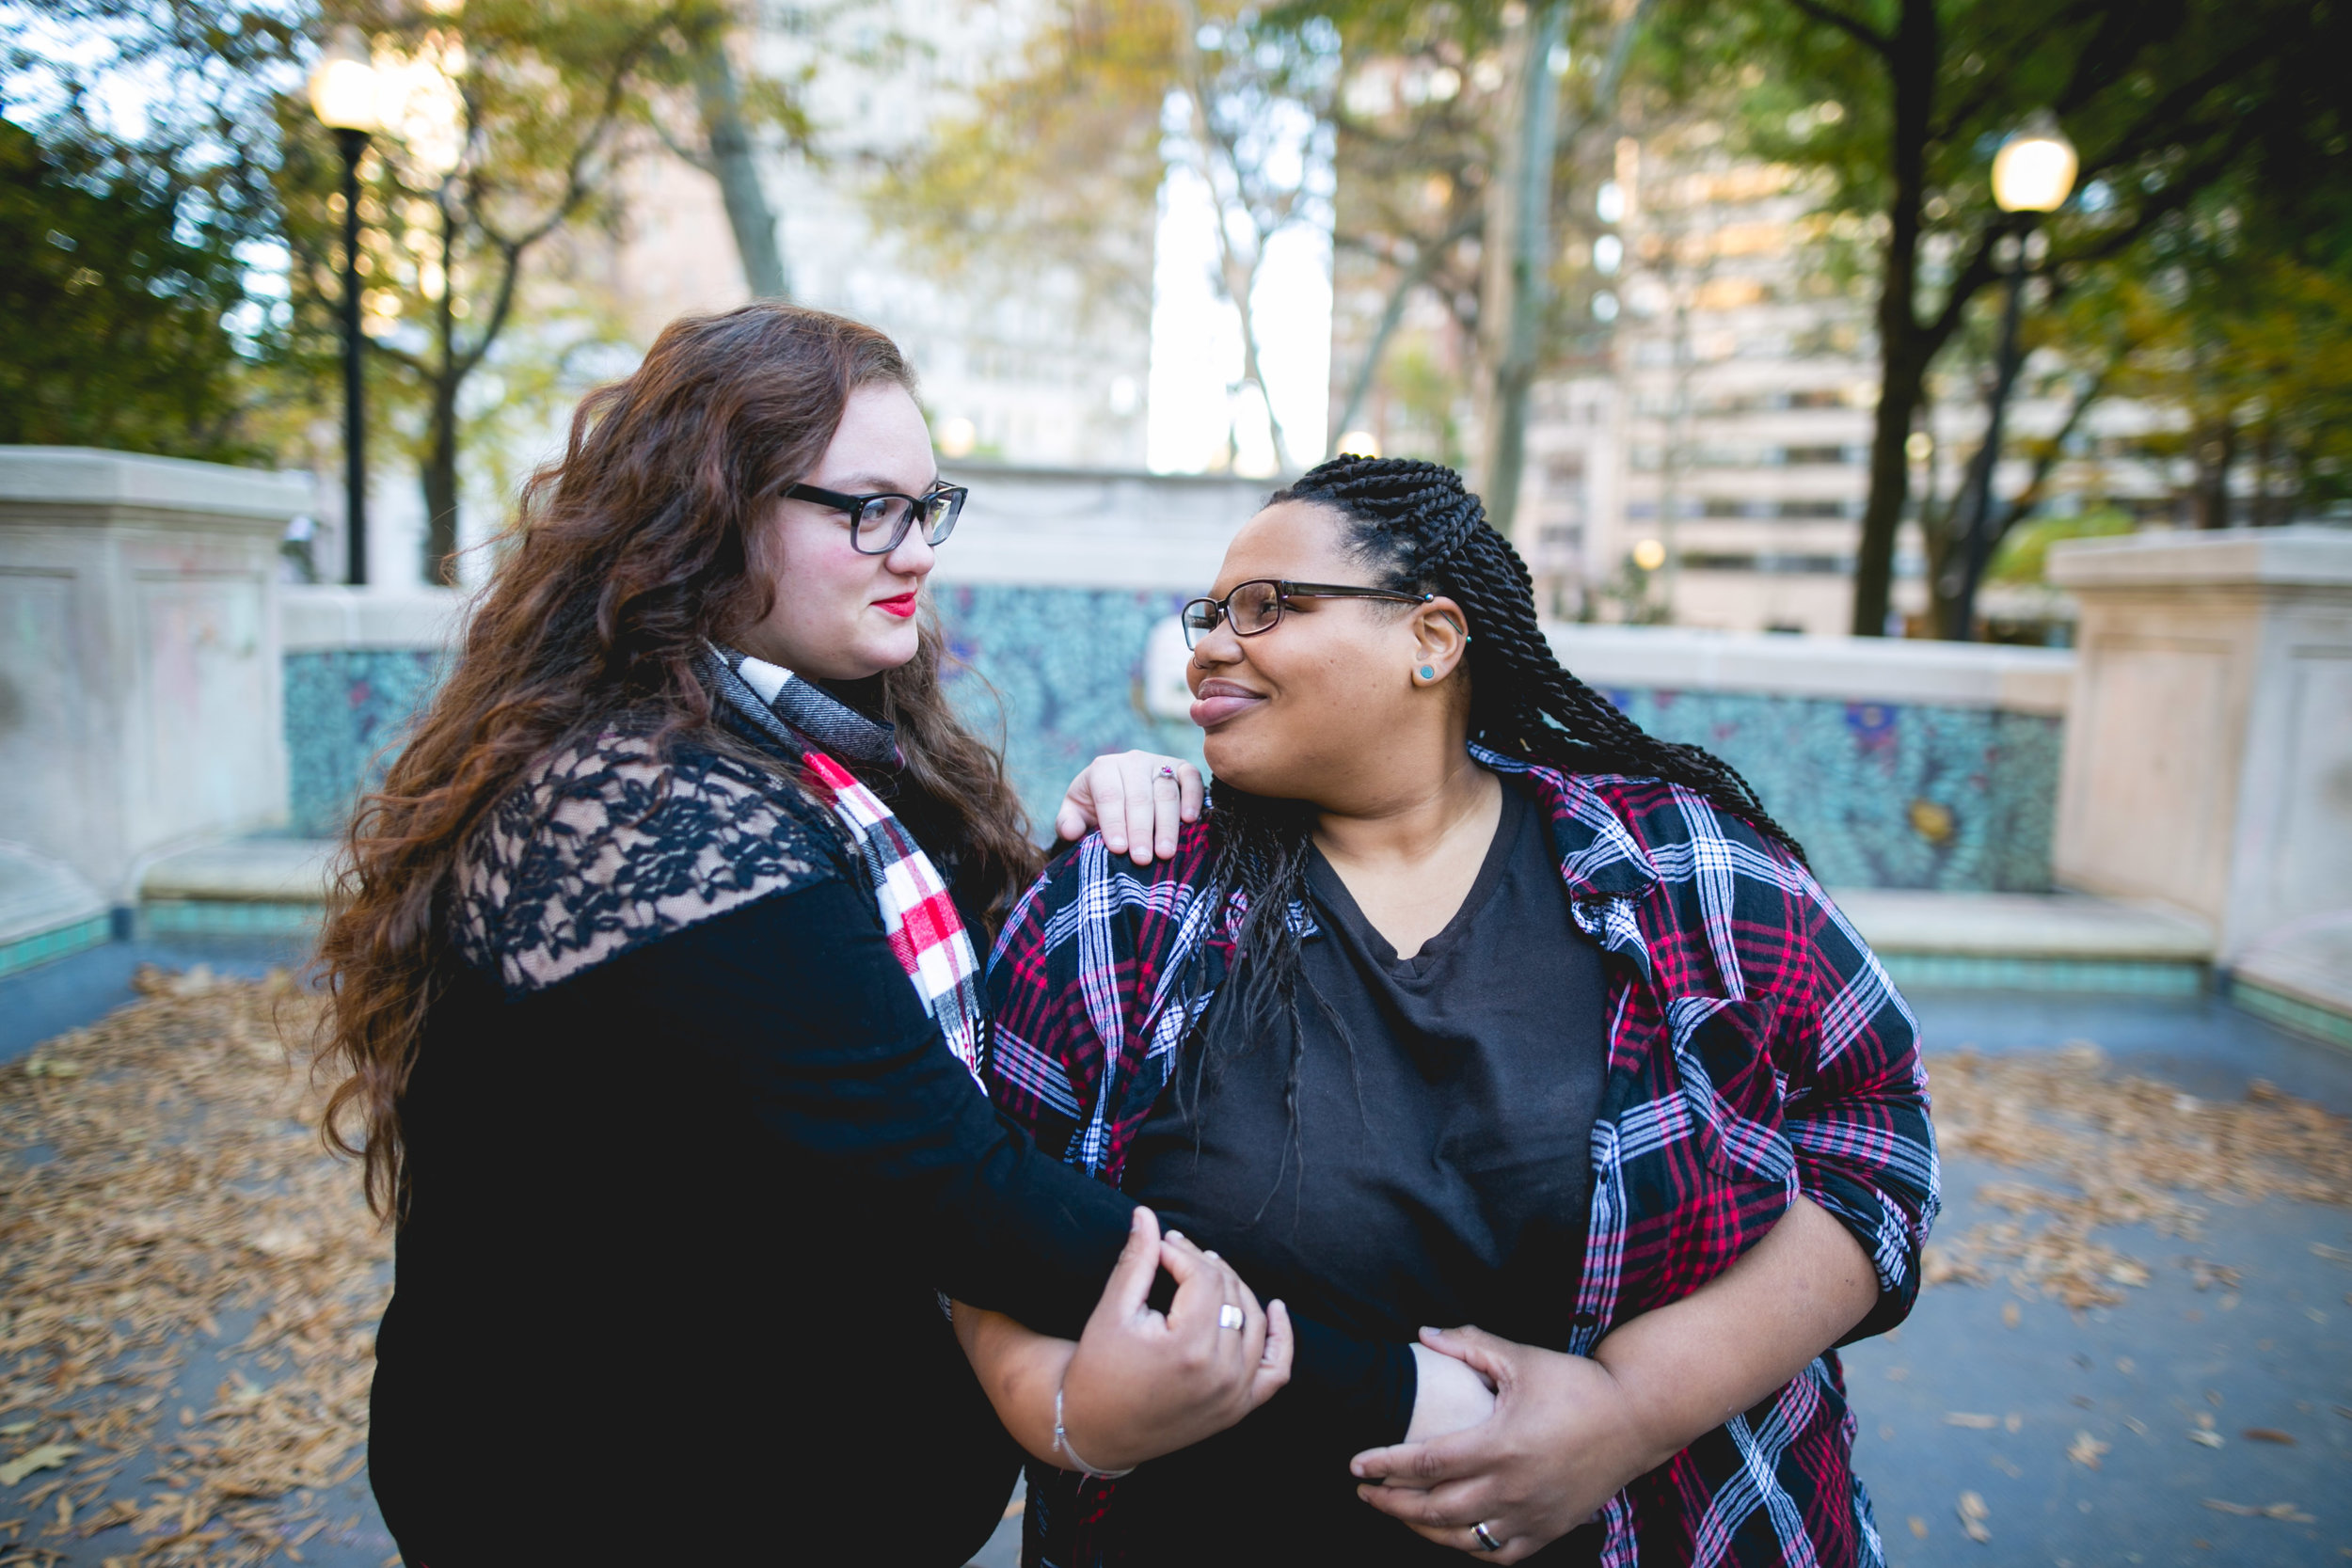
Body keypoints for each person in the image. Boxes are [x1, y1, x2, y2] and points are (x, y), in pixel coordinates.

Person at [311, 303, 1359, 1564]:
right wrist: (1398, 1379)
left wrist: (1091, 831)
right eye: (866, 507)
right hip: (610, 1496)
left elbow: (946, 1010)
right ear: (706, 510)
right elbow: (957, 1183)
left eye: (928, 507)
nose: (912, 549)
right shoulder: (640, 805)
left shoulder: (820, 758)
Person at [970, 455, 1941, 1566]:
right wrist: (1073, 1417)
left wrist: (1632, 1406)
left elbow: (1878, 1143)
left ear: (1432, 638)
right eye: (1209, 611)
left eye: (1266, 605)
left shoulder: (1681, 868)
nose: (1207, 643)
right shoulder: (1123, 903)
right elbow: (980, 1215)